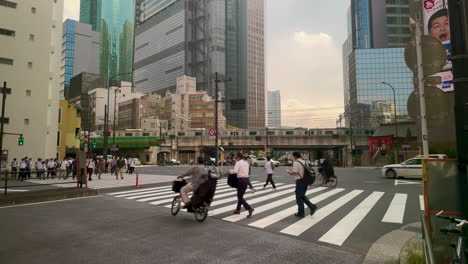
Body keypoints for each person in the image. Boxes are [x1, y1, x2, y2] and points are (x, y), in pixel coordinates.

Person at [288, 152, 317, 218]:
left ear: (295, 156)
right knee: (302, 196)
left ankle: (301, 212)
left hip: (300, 181)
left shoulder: (296, 163)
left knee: (299, 197)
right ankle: (312, 207)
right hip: (305, 181)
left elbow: (295, 172)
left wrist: (290, 173)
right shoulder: (304, 162)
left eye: (293, 156)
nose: (293, 157)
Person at [229, 153, 254, 217]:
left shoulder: (238, 162)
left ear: (238, 157)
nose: (236, 159)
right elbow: (248, 173)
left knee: (240, 197)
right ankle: (238, 209)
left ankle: (249, 208)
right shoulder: (246, 163)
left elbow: (235, 171)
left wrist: (229, 171)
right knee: (241, 196)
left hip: (241, 180)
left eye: (236, 158)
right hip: (246, 180)